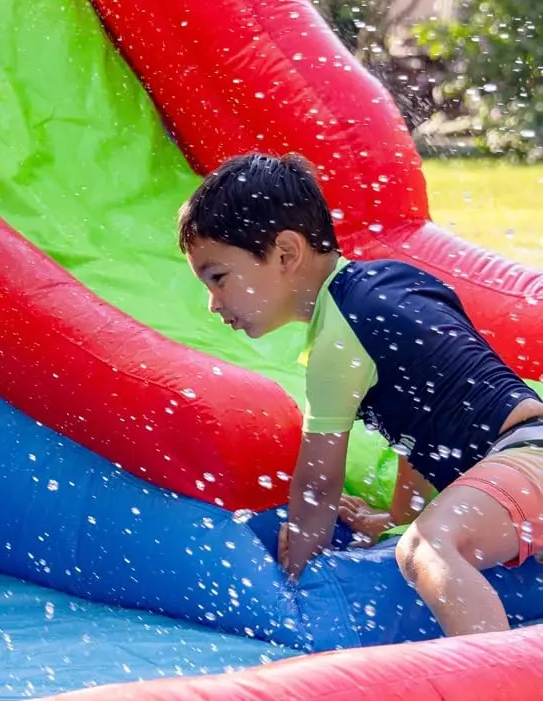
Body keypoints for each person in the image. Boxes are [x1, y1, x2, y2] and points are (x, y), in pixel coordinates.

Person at [178, 152, 543, 635]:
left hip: (527, 456)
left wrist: (295, 583)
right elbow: (426, 421)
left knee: (427, 549)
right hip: (524, 456)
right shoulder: (391, 281)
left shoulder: (339, 336)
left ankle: (499, 700)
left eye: (218, 277)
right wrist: (396, 516)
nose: (212, 303)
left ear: (286, 253)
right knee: (418, 534)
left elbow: (317, 486)